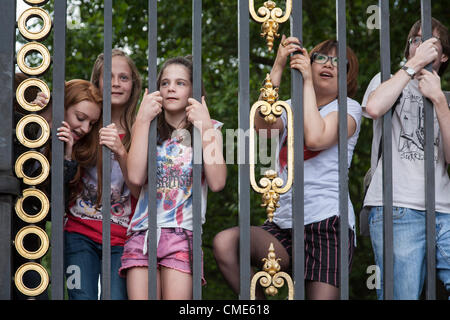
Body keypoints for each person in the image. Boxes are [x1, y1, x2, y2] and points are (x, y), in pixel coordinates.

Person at [213, 36, 361, 300]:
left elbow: (316, 138)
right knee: (227, 244)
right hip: (284, 224)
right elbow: (262, 128)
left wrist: (305, 83)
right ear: (308, 62)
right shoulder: (289, 107)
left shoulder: (349, 108)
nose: (330, 64)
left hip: (328, 224)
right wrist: (279, 65)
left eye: (340, 62)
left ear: (348, 77)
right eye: (322, 58)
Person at [119, 55, 227, 300]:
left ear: (193, 90)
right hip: (142, 234)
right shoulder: (146, 128)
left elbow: (218, 182)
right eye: (165, 83)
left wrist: (205, 129)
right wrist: (142, 119)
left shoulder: (210, 129)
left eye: (180, 83)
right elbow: (135, 177)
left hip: (182, 234)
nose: (170, 88)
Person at [362, 18, 450, 300]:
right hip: (397, 208)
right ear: (407, 49)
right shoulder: (388, 80)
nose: (422, 46)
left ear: (444, 55)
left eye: (430, 43)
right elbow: (374, 107)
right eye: (416, 40)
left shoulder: (446, 98)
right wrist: (412, 67)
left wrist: (438, 100)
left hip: (445, 210)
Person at [12, 76, 102, 300]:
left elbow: (53, 210)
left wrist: (66, 158)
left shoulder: (70, 155)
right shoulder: (20, 122)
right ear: (61, 105)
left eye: (90, 124)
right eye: (80, 118)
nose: (84, 128)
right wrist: (35, 124)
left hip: (27, 251)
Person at [64, 49, 142, 300]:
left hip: (122, 239)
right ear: (96, 81)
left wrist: (121, 150)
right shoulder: (85, 121)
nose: (116, 83)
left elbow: (143, 191)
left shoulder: (143, 130)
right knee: (82, 297)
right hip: (79, 231)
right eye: (108, 77)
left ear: (133, 85)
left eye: (124, 77)